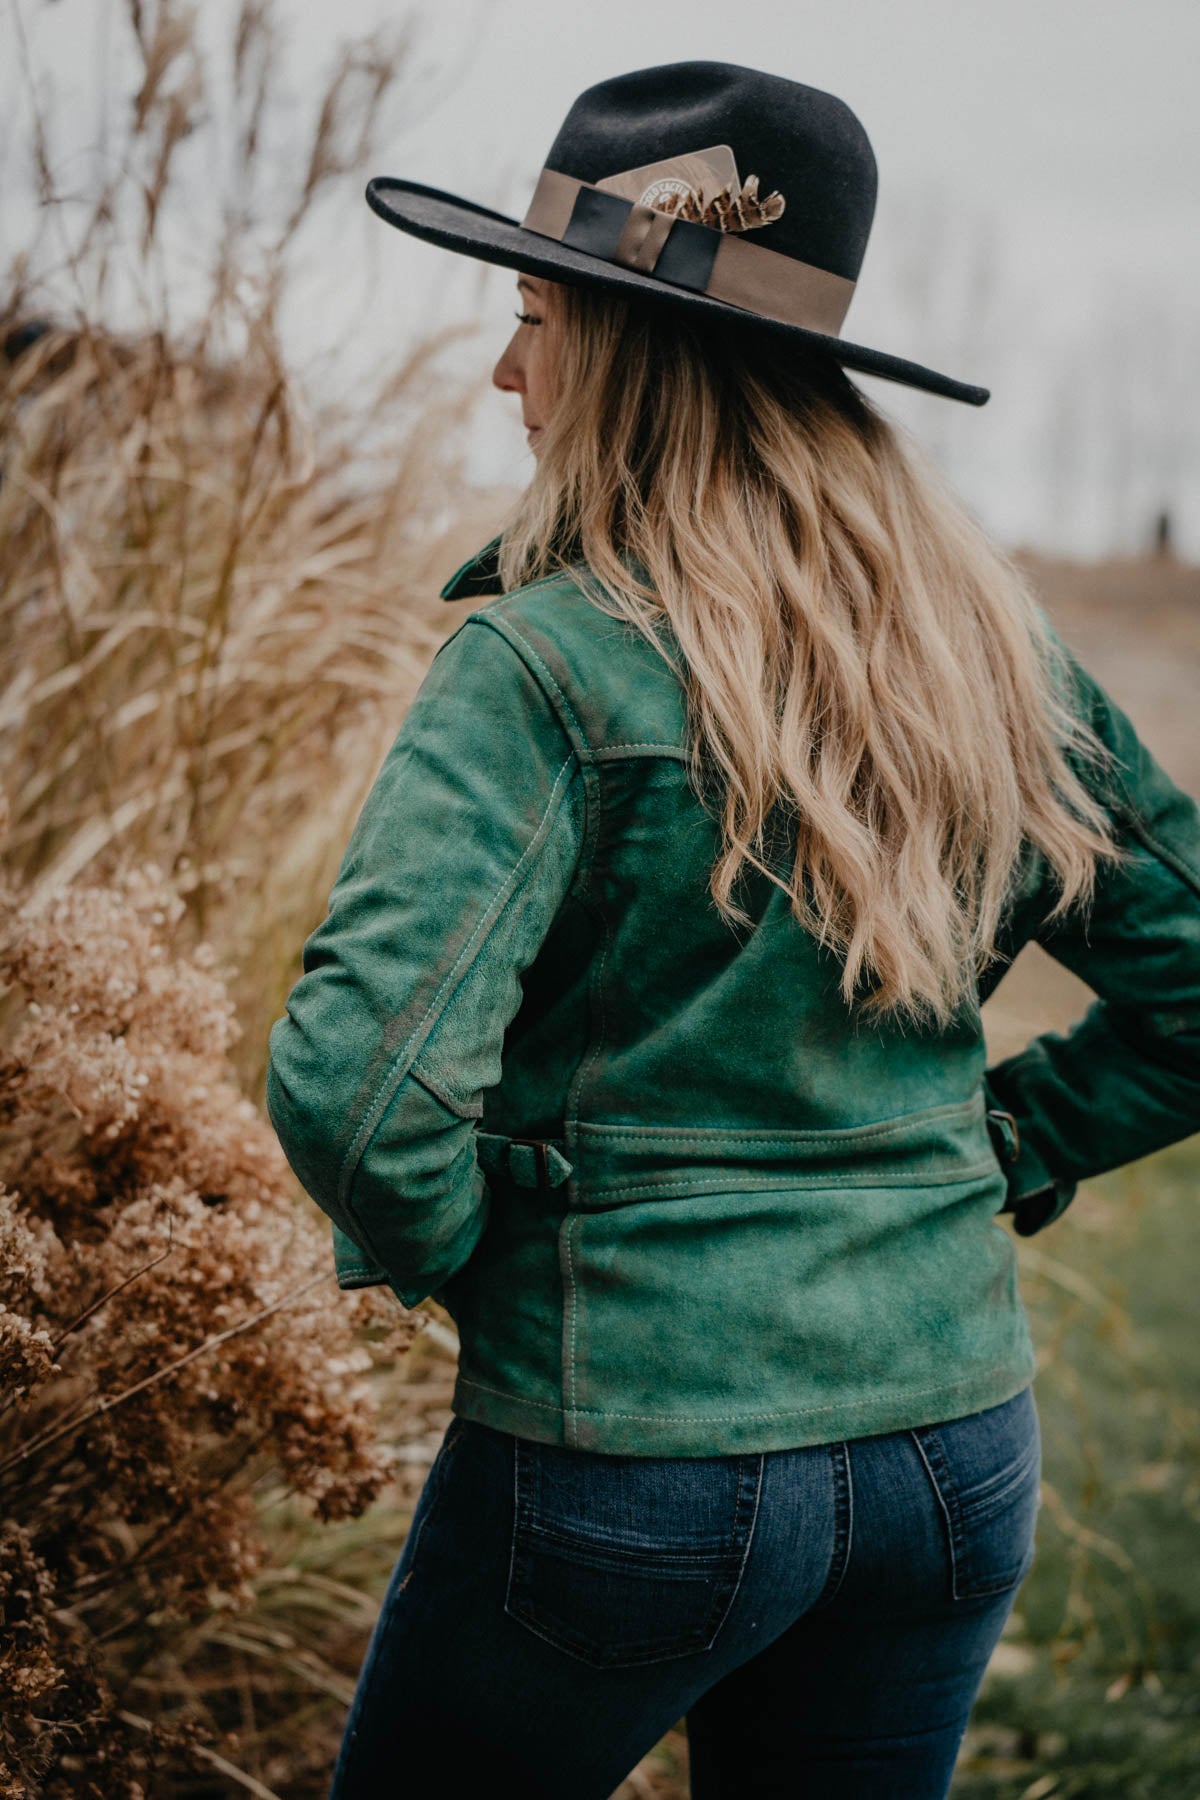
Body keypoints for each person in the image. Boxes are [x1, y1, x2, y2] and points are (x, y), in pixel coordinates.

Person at [265, 62, 1200, 1799]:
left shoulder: (537, 663)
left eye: (533, 315)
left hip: (626, 1462)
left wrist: (505, 1260)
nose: (503, 366)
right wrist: (1001, 1146)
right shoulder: (993, 657)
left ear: (622, 352)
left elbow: (361, 1091)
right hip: (952, 1449)